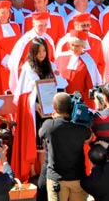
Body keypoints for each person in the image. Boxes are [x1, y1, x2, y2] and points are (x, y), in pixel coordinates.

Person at [11, 38, 67, 182]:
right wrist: (34, 105)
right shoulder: (27, 68)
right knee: (37, 140)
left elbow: (60, 85)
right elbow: (24, 93)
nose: (41, 54)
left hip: (50, 108)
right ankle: (35, 172)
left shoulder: (50, 65)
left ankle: (47, 170)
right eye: (38, 51)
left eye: (44, 51)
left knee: (47, 141)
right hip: (35, 109)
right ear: (33, 52)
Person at [41, 92, 92, 201]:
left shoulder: (50, 125)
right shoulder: (79, 126)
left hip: (56, 179)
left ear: (54, 108)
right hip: (77, 177)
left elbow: (41, 134)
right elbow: (89, 137)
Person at [8, 12, 55, 92]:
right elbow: (17, 64)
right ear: (33, 24)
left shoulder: (48, 39)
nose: (43, 28)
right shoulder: (25, 41)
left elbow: (52, 60)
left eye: (45, 25)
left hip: (46, 81)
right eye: (40, 25)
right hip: (29, 82)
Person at [55, 30, 102, 107]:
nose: (73, 48)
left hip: (80, 102)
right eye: (72, 45)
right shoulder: (61, 57)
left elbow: (92, 85)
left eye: (77, 46)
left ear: (83, 45)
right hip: (62, 100)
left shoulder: (88, 61)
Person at [0, 0, 22, 95]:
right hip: (3, 65)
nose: (5, 15)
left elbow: (20, 44)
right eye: (2, 12)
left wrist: (16, 59)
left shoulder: (15, 26)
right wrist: (7, 60)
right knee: (5, 89)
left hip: (16, 63)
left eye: (7, 12)